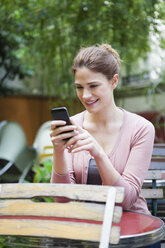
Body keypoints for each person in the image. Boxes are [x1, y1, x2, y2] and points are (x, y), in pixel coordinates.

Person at [50, 44, 159, 248]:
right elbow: (62, 199)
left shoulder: (141, 129)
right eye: (79, 87)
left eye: (93, 86)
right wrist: (58, 150)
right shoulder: (72, 125)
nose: (85, 96)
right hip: (87, 232)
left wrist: (98, 153)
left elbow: (126, 200)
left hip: (132, 233)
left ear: (114, 81)